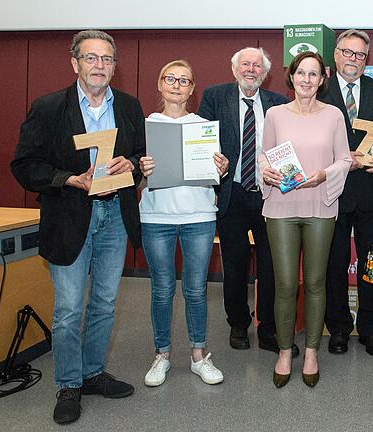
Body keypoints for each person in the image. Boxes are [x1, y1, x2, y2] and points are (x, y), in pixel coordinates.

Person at [11, 30, 145, 424]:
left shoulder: (130, 106)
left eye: (106, 59)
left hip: (115, 218)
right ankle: (68, 383)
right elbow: (24, 165)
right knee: (69, 309)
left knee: (104, 304)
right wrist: (69, 179)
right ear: (75, 63)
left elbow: (139, 153)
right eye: (91, 58)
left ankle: (91, 374)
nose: (99, 66)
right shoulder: (49, 107)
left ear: (114, 66)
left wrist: (132, 163)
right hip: (70, 218)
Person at [260, 51, 352, 388]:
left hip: (320, 206)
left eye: (314, 74)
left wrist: (324, 174)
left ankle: (311, 350)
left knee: (315, 283)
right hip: (282, 207)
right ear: (291, 76)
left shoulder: (333, 116)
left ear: (322, 79)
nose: (307, 80)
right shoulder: (274, 115)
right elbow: (263, 157)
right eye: (301, 73)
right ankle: (285, 351)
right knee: (285, 284)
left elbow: (345, 159)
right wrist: (266, 172)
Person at [198, 47, 298, 356]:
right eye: (246, 64)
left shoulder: (279, 104)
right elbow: (201, 141)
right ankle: (238, 324)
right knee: (235, 263)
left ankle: (267, 328)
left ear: (266, 74)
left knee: (271, 266)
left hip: (270, 194)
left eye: (257, 65)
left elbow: (289, 147)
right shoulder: (215, 97)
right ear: (235, 69)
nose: (251, 69)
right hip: (232, 192)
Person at [138, 60, 229, 387]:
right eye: (170, 79)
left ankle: (198, 356)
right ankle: (161, 355)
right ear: (160, 84)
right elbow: (130, 179)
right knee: (161, 290)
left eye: (184, 80)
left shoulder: (204, 127)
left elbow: (215, 177)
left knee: (195, 289)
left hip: (199, 217)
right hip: (155, 217)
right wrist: (140, 170)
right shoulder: (144, 127)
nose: (177, 85)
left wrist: (222, 167)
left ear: (192, 88)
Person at [319, 29, 373, 357]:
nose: (354, 59)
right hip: (332, 192)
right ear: (336, 55)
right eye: (348, 53)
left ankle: (370, 330)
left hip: (371, 191)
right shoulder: (320, 91)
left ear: (367, 61)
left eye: (360, 55)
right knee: (334, 263)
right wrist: (339, 160)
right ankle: (338, 329)